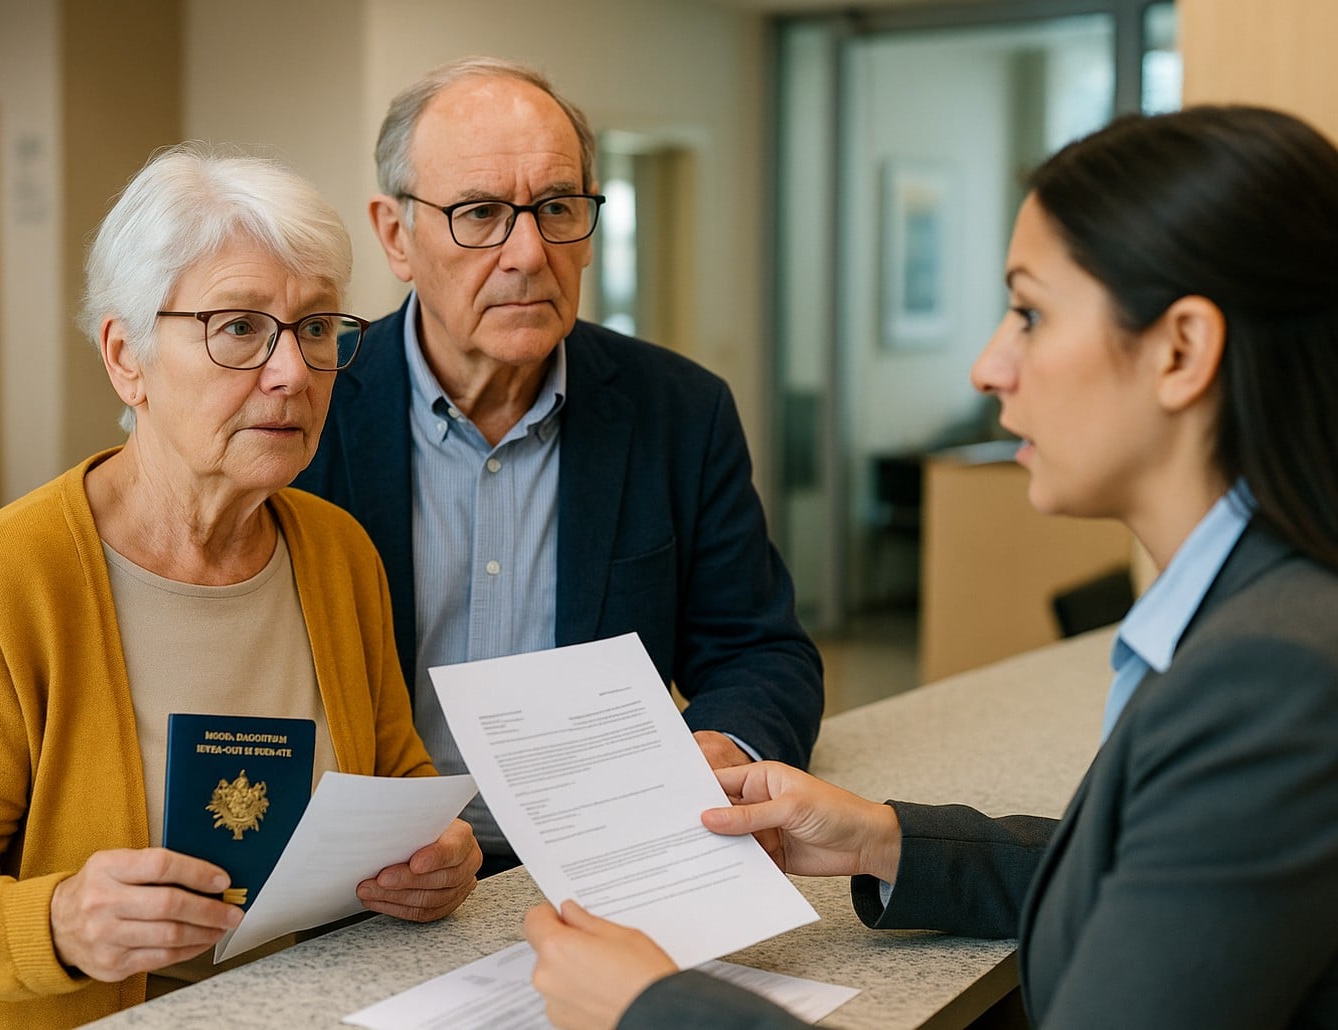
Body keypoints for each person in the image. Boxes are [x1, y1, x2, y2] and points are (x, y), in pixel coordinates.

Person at [523, 104, 1338, 1029]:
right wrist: (885, 839)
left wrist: (649, 1010)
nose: (989, 367)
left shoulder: (1271, 674)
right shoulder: (1267, 618)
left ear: (1182, 350)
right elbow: (1158, 876)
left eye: (1030, 312)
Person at [0, 142, 481, 1028]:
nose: (293, 373)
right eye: (238, 328)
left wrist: (439, 857)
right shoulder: (9, 574)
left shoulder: (336, 553)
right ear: (126, 356)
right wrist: (62, 923)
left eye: (315, 329)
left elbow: (394, 775)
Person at [292, 56, 823, 875]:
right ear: (397, 236)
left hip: (609, 859)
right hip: (376, 875)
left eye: (557, 208)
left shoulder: (680, 410)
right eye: (479, 213)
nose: (529, 253)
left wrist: (720, 742)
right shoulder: (306, 406)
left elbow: (760, 651)